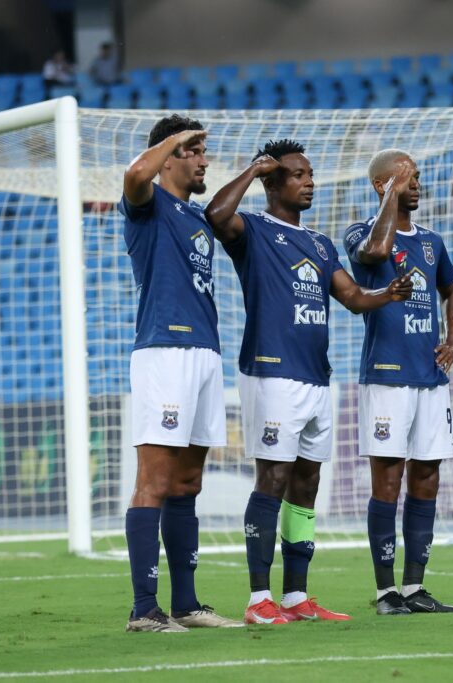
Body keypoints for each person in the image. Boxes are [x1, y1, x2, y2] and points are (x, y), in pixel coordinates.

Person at [204, 139, 413, 625]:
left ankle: (296, 596)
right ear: (272, 183)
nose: (310, 182)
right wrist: (253, 170)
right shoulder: (253, 229)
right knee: (273, 478)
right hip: (272, 371)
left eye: (311, 174)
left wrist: (388, 293)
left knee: (306, 482)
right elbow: (215, 215)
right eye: (298, 175)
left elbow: (353, 297)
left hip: (317, 376)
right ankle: (259, 598)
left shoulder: (320, 243)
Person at [120, 114, 240, 632]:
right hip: (164, 351)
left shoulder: (196, 217)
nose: (204, 161)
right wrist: (173, 138)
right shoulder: (147, 204)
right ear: (168, 157)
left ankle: (186, 604)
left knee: (188, 481)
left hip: (205, 353)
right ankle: (144, 608)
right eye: (194, 151)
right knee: (154, 480)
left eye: (203, 151)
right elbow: (133, 176)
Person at [344, 149, 453, 616]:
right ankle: (385, 592)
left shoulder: (432, 241)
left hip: (430, 377)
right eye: (407, 178)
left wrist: (452, 339)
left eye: (416, 178)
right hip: (387, 376)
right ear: (382, 185)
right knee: (388, 480)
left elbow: (450, 290)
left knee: (427, 477)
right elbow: (374, 253)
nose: (417, 184)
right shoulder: (361, 232)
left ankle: (415, 587)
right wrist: (389, 201)